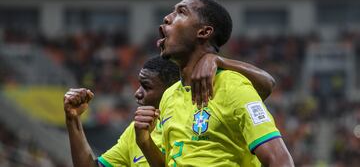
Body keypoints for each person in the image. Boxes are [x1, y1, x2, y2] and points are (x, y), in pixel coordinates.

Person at [135, 0, 294, 166]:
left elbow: (280, 161)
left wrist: (219, 60)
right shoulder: (169, 96)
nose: (167, 18)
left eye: (181, 12)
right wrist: (144, 142)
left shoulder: (232, 86)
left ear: (203, 32)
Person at [64, 54, 276, 167]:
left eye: (146, 86)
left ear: (173, 90)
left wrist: (218, 60)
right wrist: (73, 120)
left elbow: (266, 85)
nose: (137, 94)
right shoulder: (136, 132)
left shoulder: (207, 119)